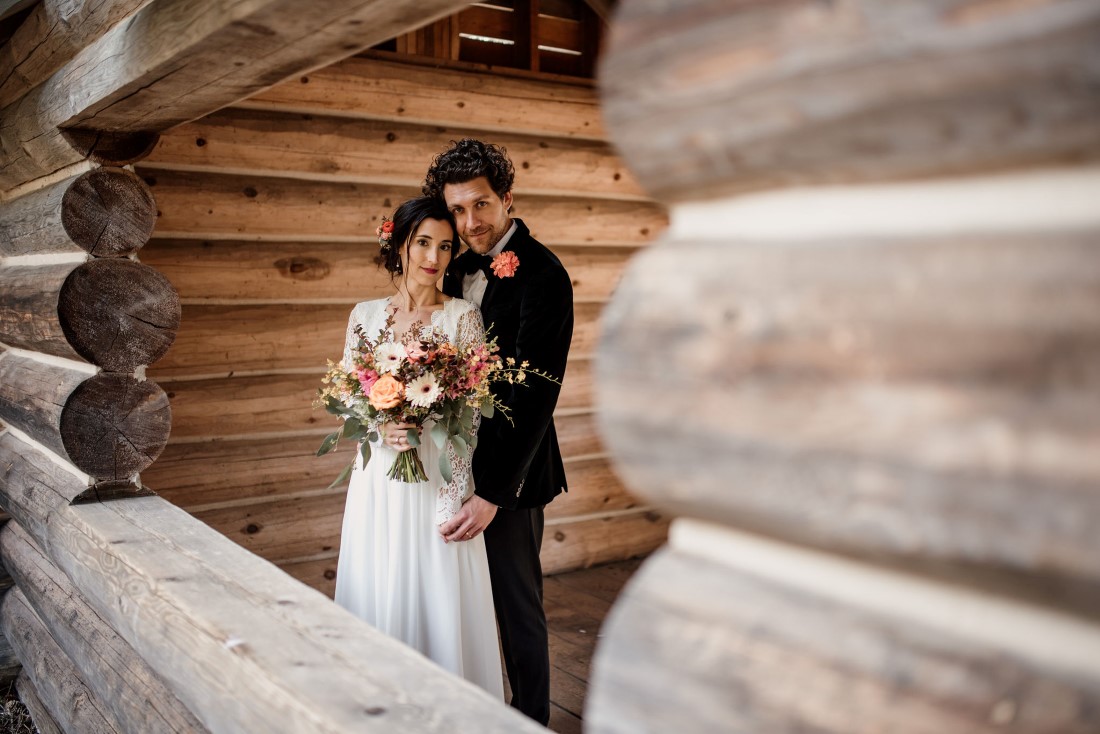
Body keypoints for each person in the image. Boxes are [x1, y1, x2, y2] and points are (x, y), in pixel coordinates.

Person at [422, 138, 574, 725]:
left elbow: (537, 393)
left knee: (516, 605)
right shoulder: (455, 269)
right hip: (450, 462)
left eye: (480, 206)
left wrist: (492, 493)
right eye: (457, 210)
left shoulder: (545, 275)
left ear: (507, 198)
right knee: (457, 596)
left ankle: (532, 718)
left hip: (514, 470)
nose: (469, 222)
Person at [334, 195, 503, 698]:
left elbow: (471, 416)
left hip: (437, 476)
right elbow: (346, 397)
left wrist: (452, 494)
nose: (434, 257)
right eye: (423, 243)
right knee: (381, 584)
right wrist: (376, 428)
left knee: (437, 590)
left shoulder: (463, 318)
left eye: (446, 247)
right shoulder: (364, 315)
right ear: (401, 244)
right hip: (380, 480)